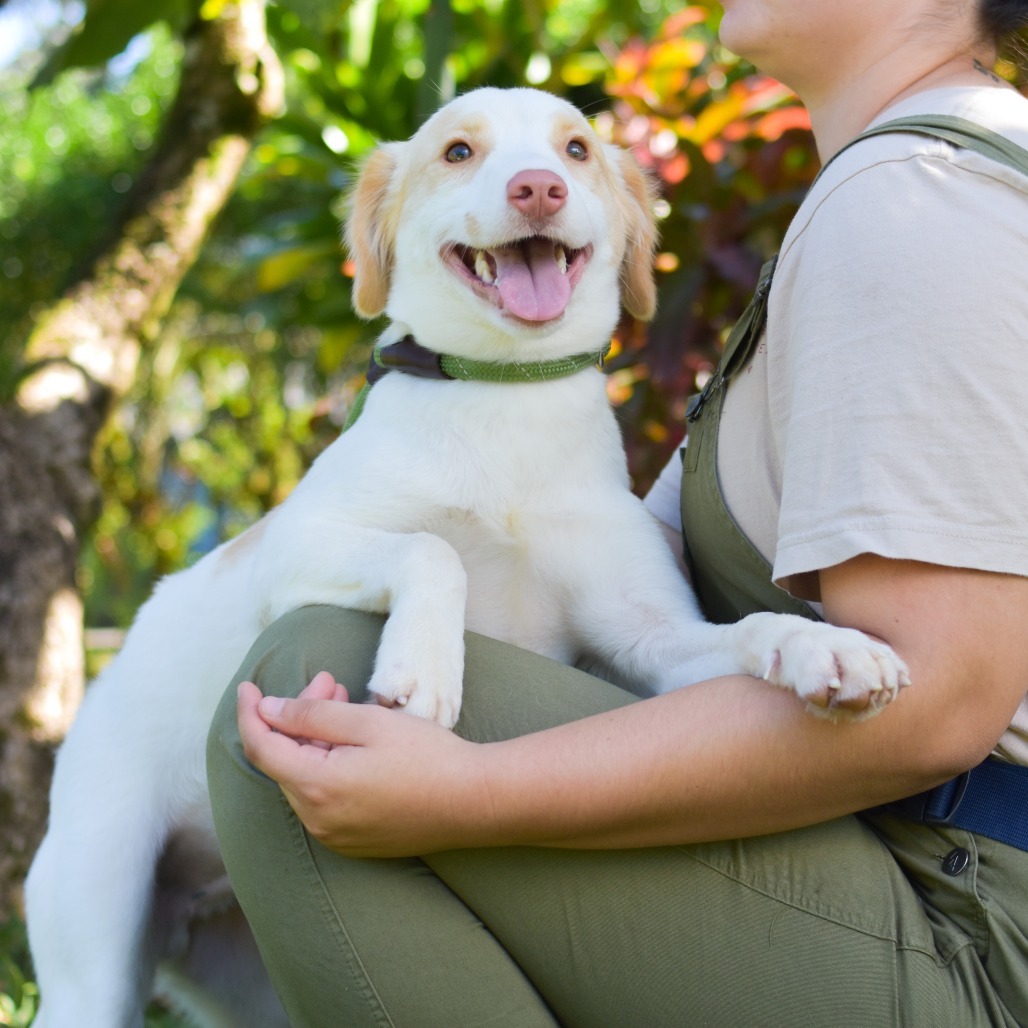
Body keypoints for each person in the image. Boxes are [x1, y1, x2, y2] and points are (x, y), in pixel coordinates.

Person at [206, 1, 1028, 1024]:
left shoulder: (916, 197)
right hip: (918, 865)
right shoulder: (905, 182)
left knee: (306, 677)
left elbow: (939, 697)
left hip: (973, 925)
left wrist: (468, 791)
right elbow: (630, 601)